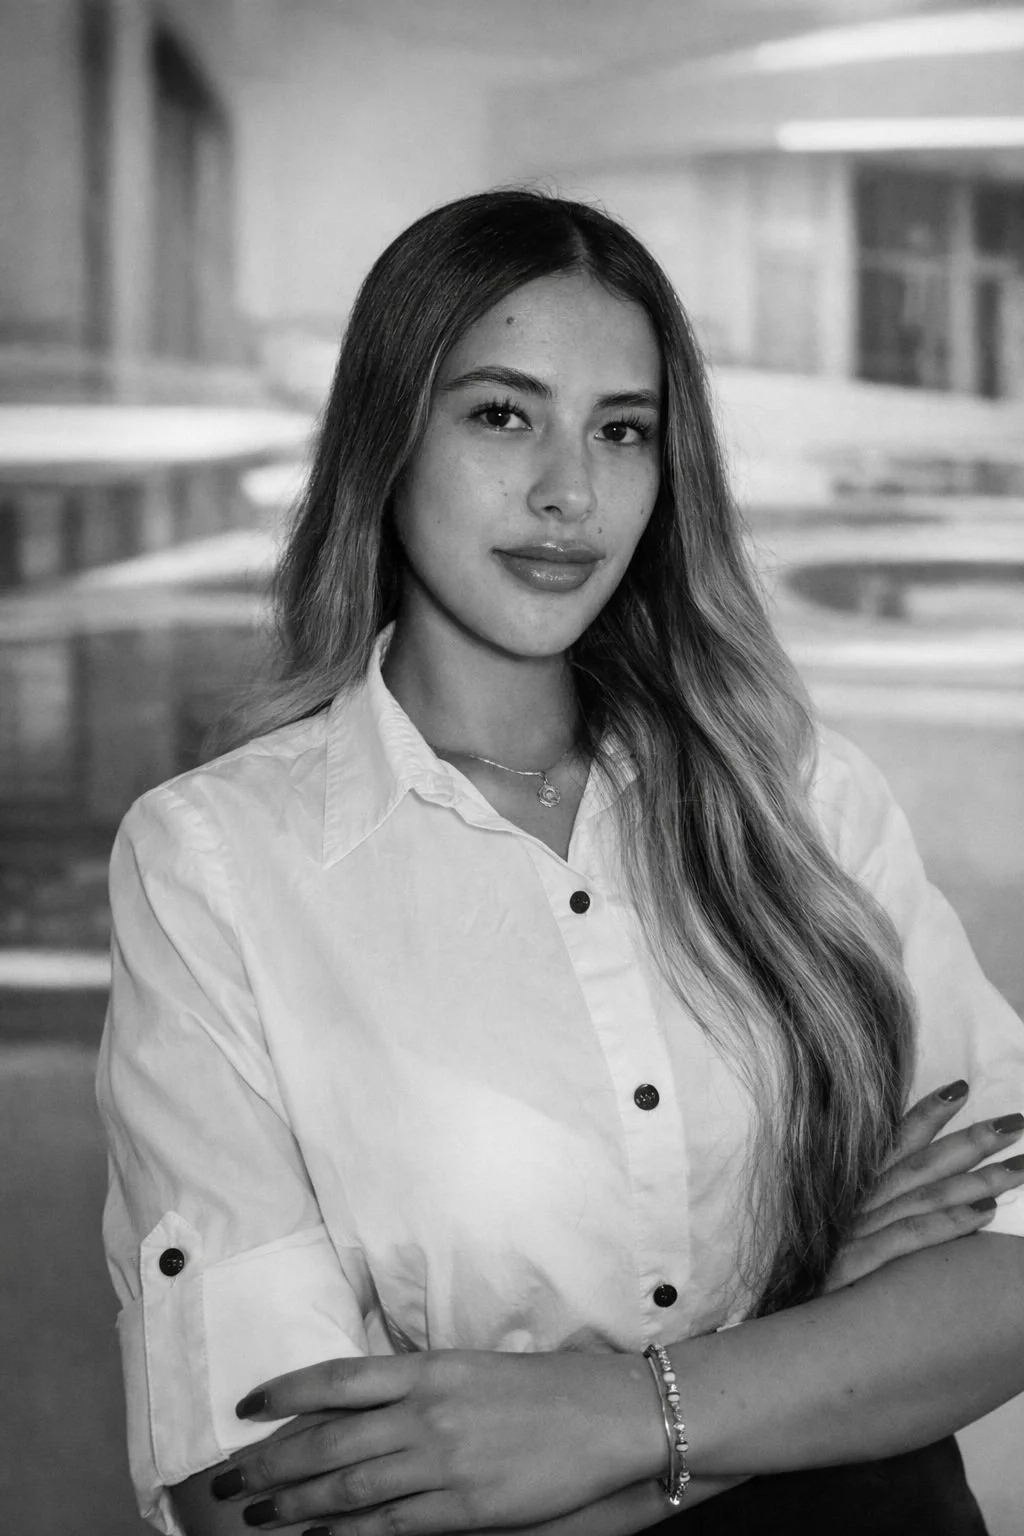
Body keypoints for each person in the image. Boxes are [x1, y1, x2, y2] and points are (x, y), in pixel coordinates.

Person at [96, 190, 1024, 1536]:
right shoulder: (216, 863)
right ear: (386, 436)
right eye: (500, 414)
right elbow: (263, 1500)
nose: (568, 493)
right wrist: (819, 1353)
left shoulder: (803, 796)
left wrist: (612, 1422)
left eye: (623, 431)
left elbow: (1006, 1277)